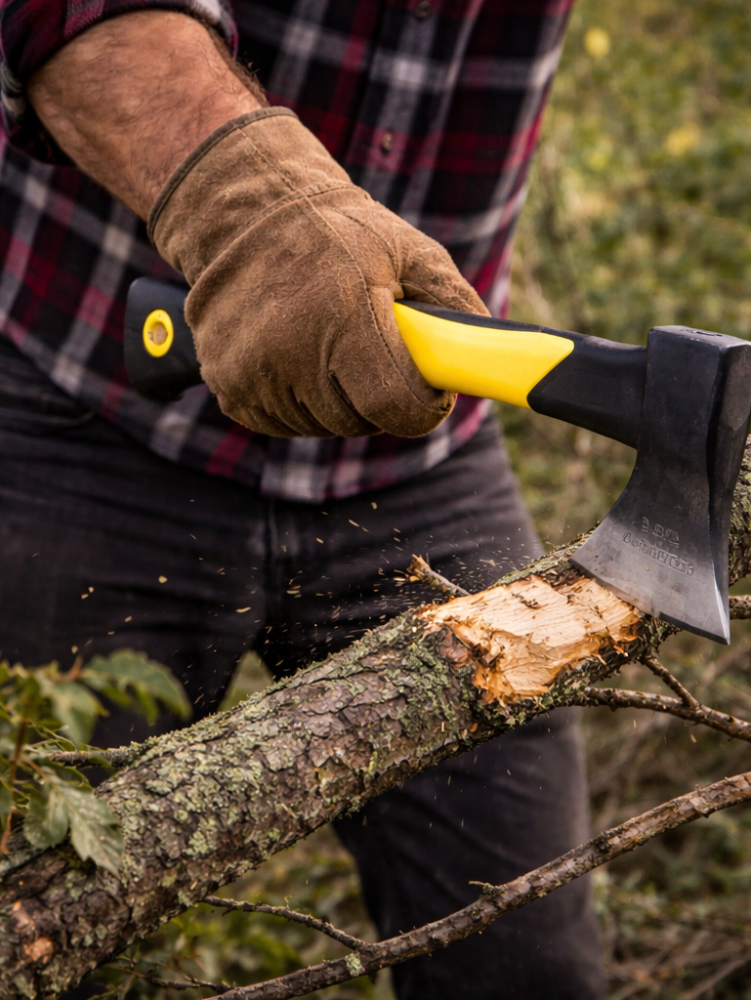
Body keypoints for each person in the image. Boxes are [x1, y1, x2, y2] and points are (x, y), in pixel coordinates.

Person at [0, 2, 605, 997]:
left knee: (527, 965)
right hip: (87, 400)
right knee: (32, 926)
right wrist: (246, 198)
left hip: (417, 459)